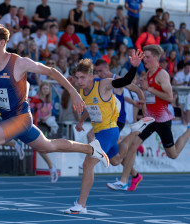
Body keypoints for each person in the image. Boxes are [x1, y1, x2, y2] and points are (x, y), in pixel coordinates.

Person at [0, 23, 109, 212]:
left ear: (2, 43)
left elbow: (52, 72)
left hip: (21, 118)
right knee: (48, 146)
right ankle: (91, 149)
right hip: (10, 120)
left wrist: (74, 92)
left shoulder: (19, 63)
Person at [64, 53, 153, 214]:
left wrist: (133, 67)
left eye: (82, 78)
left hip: (109, 131)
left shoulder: (103, 84)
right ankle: (133, 135)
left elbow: (125, 82)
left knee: (88, 164)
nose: (79, 81)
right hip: (100, 133)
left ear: (91, 76)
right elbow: (89, 107)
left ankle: (81, 205)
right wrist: (80, 121)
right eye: (77, 78)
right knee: (116, 161)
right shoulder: (83, 90)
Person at [107, 45, 190, 191]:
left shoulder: (161, 74)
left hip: (162, 120)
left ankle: (189, 130)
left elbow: (169, 97)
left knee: (173, 154)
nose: (145, 59)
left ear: (156, 58)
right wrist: (143, 102)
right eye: (143, 56)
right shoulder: (147, 74)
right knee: (133, 145)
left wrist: (149, 88)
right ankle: (124, 180)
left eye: (147, 56)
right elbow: (150, 96)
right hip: (150, 118)